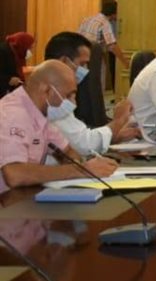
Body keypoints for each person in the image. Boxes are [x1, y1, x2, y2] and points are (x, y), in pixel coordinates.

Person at [0, 60, 118, 193]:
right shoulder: (12, 115)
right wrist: (81, 170)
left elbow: (68, 151)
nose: (73, 102)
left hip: (22, 197)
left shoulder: (40, 113)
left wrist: (80, 164)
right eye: (67, 95)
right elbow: (15, 174)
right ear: (46, 89)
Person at [43, 32, 139, 155]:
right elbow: (83, 145)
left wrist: (115, 137)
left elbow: (78, 136)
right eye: (82, 64)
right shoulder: (52, 94)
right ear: (64, 61)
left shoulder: (61, 90)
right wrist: (119, 120)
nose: (85, 70)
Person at [78, 1, 131, 69]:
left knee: (82, 75)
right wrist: (126, 63)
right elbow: (112, 46)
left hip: (80, 56)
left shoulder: (86, 19)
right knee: (96, 75)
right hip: (94, 57)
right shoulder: (105, 23)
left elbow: (78, 37)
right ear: (114, 14)